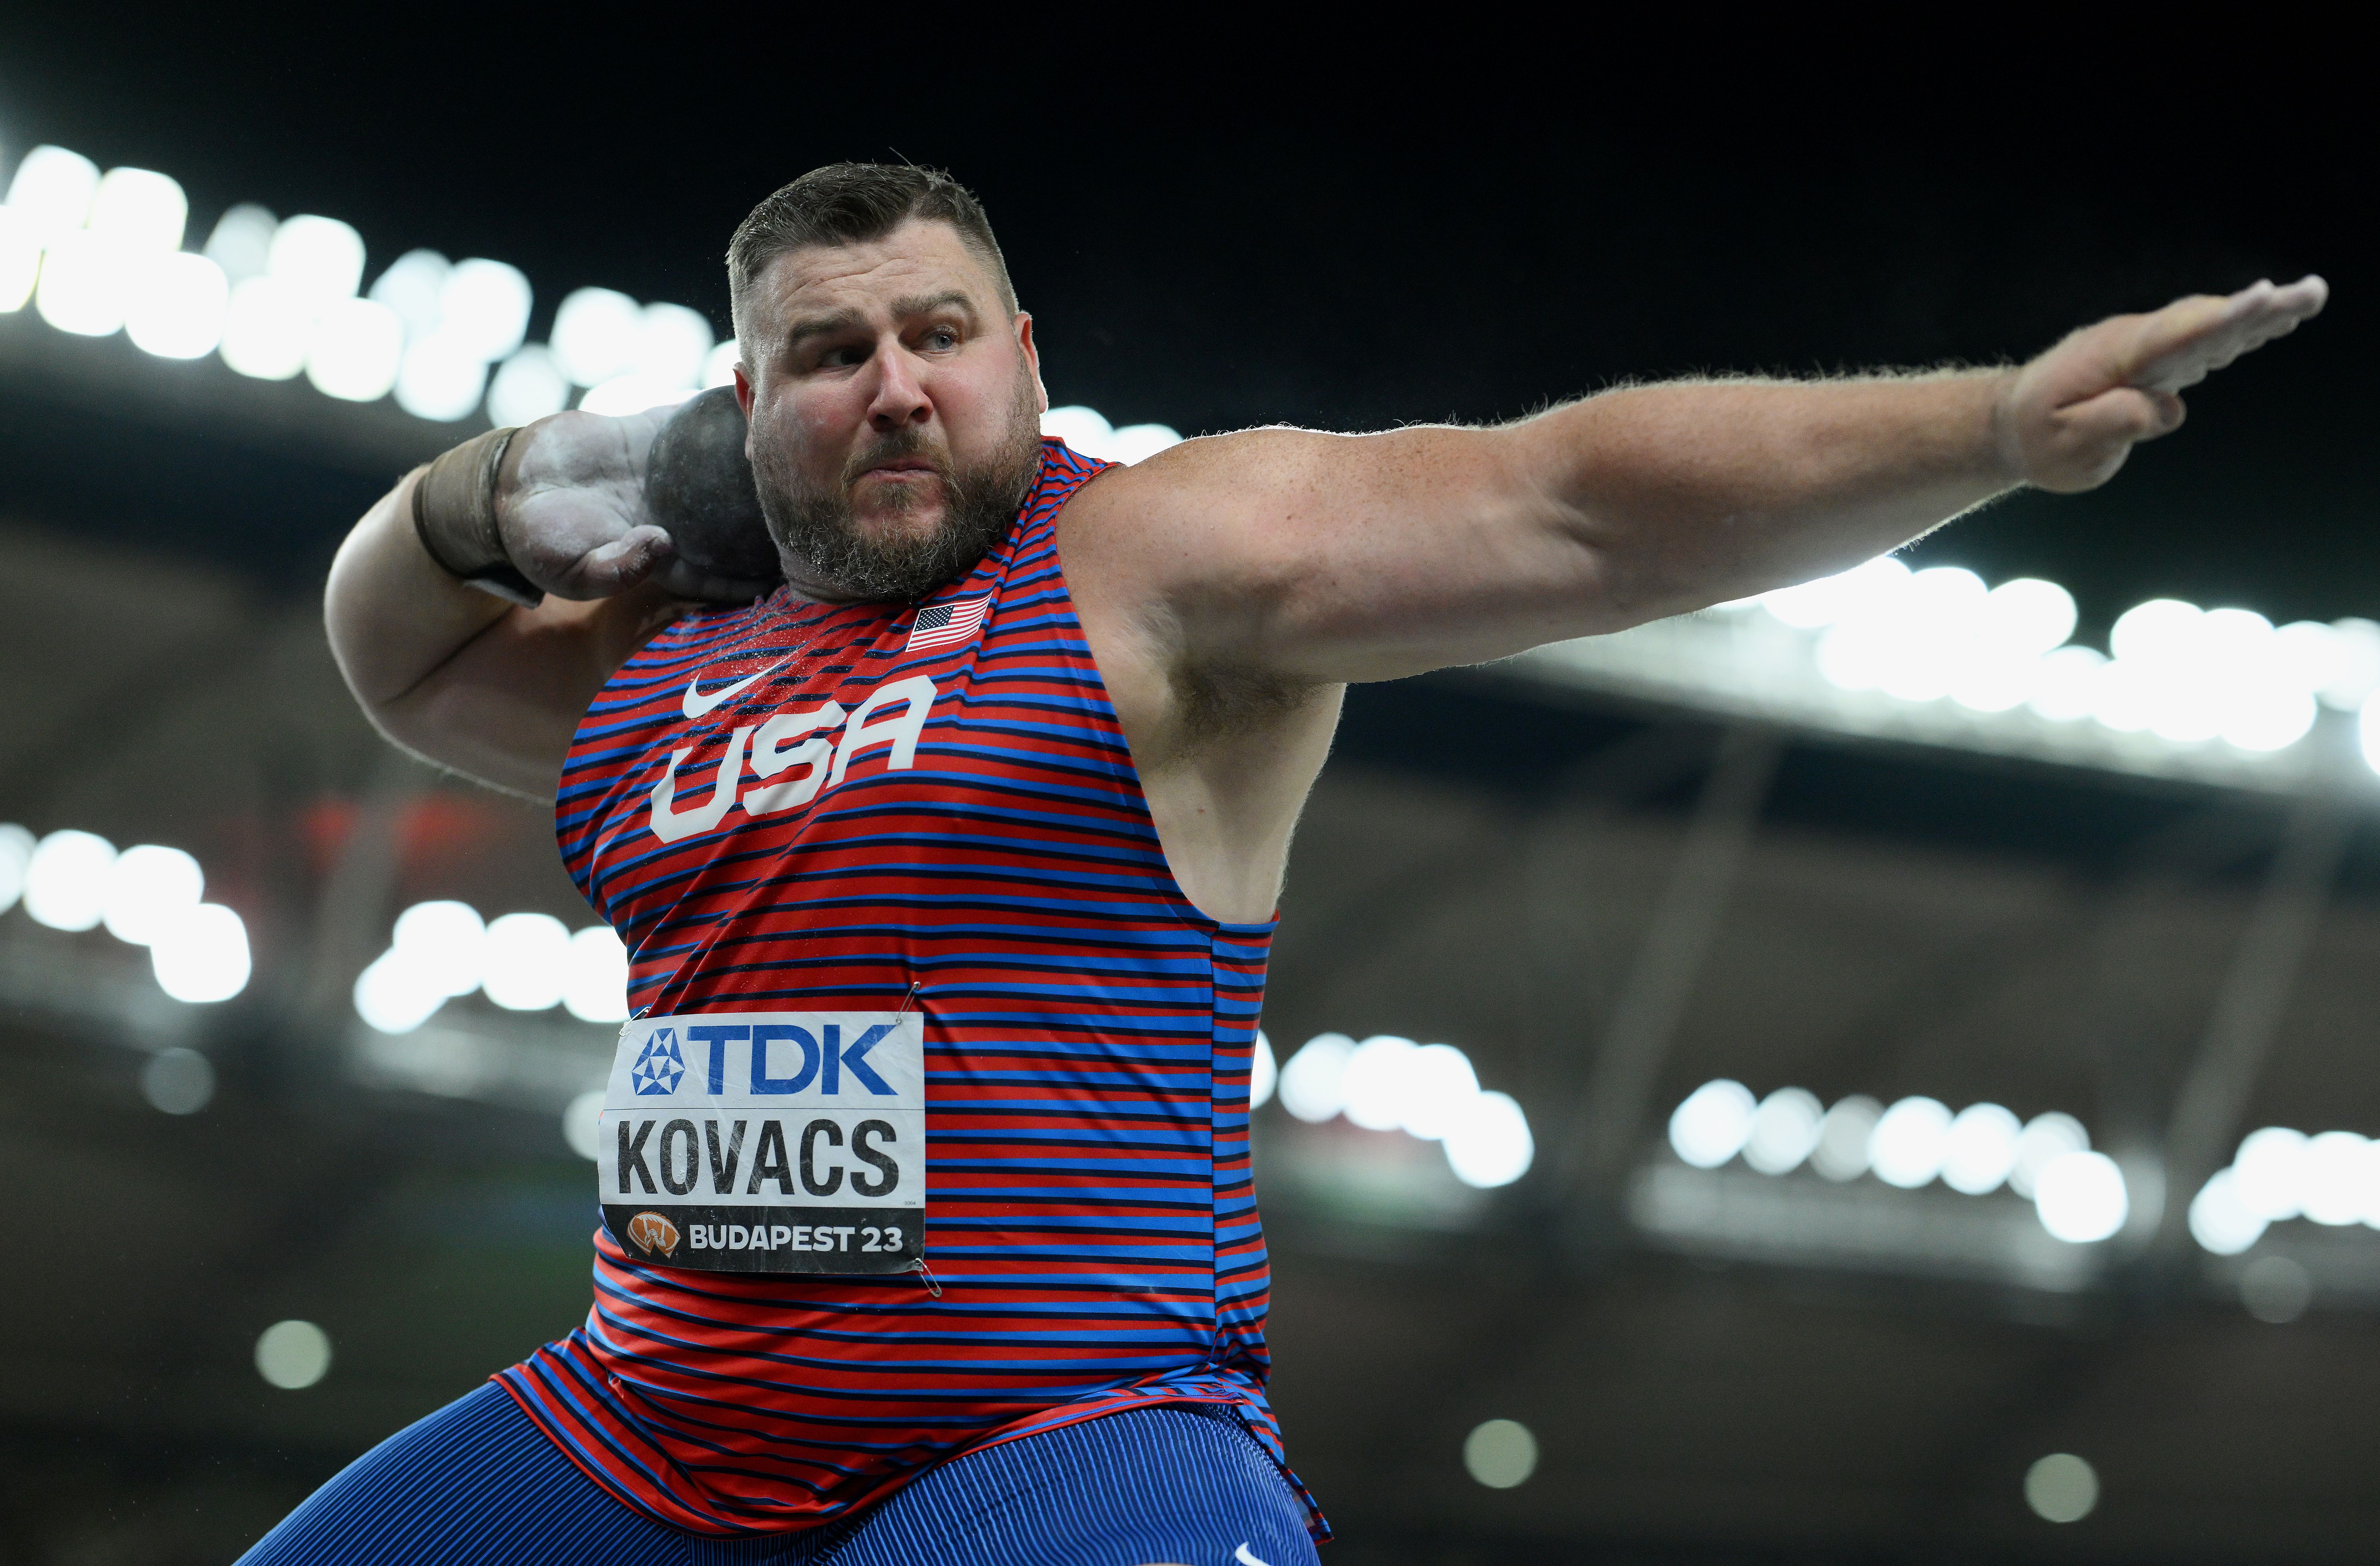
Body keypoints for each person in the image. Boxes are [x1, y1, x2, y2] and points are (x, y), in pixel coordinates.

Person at [255, 163, 2323, 1565]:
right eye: (824, 352)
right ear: (741, 406)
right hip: (648, 1425)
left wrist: (1978, 426)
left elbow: (1575, 505)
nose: (893, 382)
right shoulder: (672, 656)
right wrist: (522, 480)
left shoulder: (1155, 563)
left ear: (1023, 356)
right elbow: (391, 642)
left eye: (937, 331)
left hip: (1045, 1444)